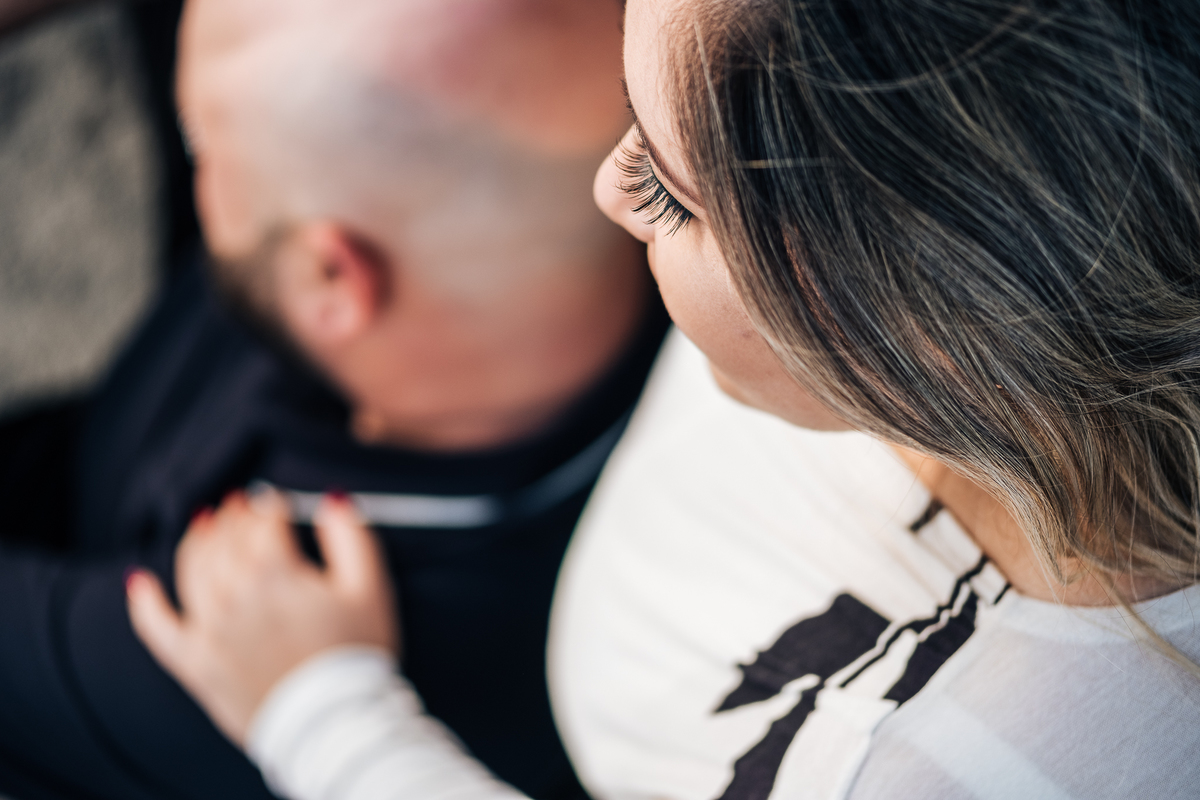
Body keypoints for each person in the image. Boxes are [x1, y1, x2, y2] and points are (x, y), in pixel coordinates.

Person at [129, 0, 1200, 798]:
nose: (605, 183)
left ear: (932, 319)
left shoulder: (984, 769)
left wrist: (330, 717)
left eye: (665, 191)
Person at [0, 0, 667, 798]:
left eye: (199, 141)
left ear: (333, 277)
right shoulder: (534, 272)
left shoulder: (268, 646)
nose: (197, 163)